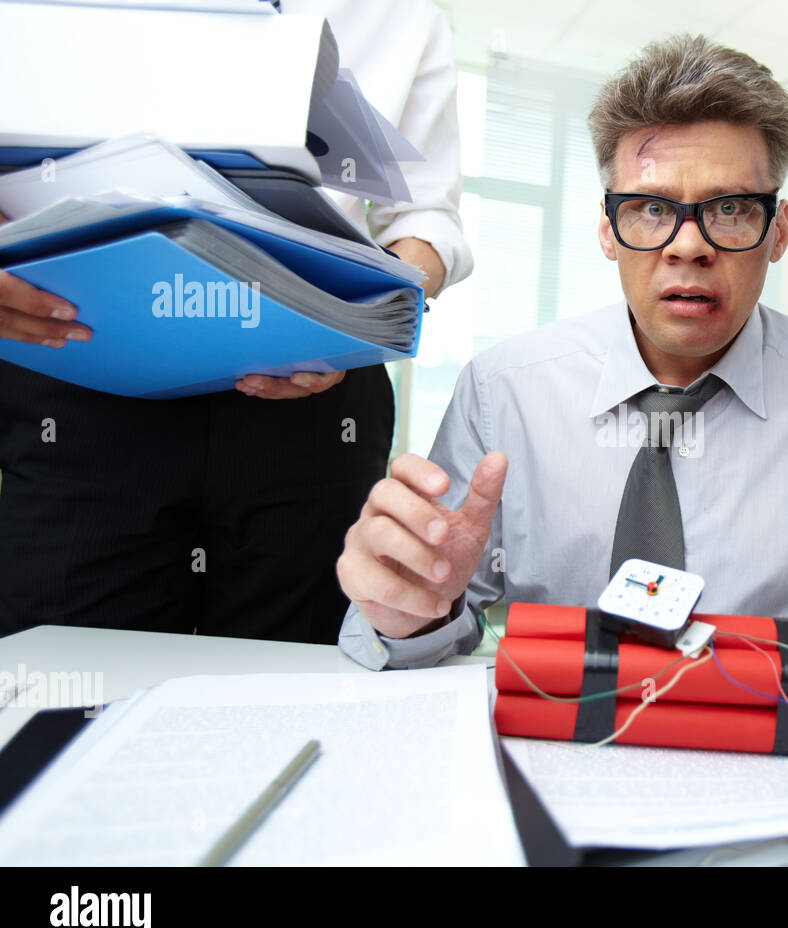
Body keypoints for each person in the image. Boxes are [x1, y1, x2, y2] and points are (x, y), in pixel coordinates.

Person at [335, 34, 788, 690]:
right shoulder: (503, 391)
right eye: (652, 209)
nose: (689, 246)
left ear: (778, 231)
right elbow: (425, 623)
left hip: (777, 768)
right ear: (607, 230)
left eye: (731, 209)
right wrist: (406, 614)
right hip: (554, 755)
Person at [0, 0, 471, 643]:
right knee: (62, 684)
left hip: (311, 396)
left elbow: (427, 219)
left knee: (295, 682)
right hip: (77, 365)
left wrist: (354, 320)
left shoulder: (405, 12)